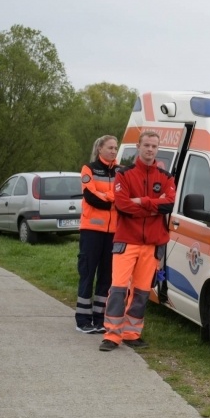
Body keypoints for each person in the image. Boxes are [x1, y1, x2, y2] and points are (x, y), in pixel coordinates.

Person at [99, 130, 176, 352]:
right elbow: (123, 206)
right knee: (118, 289)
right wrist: (153, 206)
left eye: (154, 146)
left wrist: (141, 201)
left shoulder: (166, 177)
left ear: (158, 149)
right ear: (138, 147)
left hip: (152, 244)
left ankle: (132, 333)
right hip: (126, 240)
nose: (150, 149)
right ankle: (112, 335)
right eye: (146, 145)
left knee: (142, 292)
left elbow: (169, 205)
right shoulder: (124, 174)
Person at [75, 135, 119, 333]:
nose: (113, 151)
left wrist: (106, 196)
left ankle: (100, 319)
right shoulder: (89, 169)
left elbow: (123, 197)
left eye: (115, 148)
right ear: (100, 148)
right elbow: (91, 197)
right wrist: (112, 198)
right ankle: (83, 320)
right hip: (91, 231)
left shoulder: (121, 171)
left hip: (113, 232)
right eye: (110, 147)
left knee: (106, 276)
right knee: (87, 273)